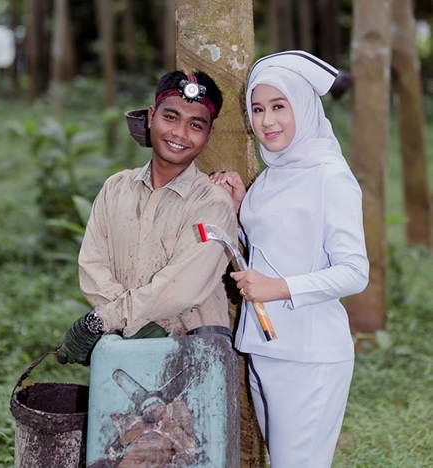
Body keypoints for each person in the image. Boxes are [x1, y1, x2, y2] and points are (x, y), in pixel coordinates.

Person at [210, 50, 369, 467]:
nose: (267, 122)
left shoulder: (329, 175)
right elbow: (281, 245)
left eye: (279, 107)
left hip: (310, 355)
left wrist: (278, 288)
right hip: (264, 347)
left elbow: (355, 272)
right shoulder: (273, 174)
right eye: (258, 109)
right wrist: (243, 209)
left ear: (303, 106)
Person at [57, 70, 238, 365]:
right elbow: (92, 266)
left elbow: (182, 289)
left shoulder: (213, 204)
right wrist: (132, 324)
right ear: (151, 116)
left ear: (208, 135)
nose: (180, 133)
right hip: (120, 351)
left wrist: (104, 320)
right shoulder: (115, 188)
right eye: (170, 117)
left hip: (194, 357)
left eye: (195, 125)